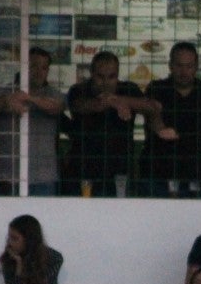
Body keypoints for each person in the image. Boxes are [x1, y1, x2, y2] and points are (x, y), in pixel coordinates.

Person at [140, 41, 201, 199]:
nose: (184, 71)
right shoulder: (157, 88)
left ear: (196, 66)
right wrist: (160, 129)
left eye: (189, 66)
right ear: (170, 66)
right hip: (159, 177)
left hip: (200, 177)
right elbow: (152, 112)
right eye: (179, 65)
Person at [64, 51, 159, 197]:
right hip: (83, 173)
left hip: (119, 173)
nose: (106, 82)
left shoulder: (128, 89)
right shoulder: (79, 90)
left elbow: (153, 107)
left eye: (111, 77)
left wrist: (118, 100)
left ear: (118, 74)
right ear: (91, 73)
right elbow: (83, 106)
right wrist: (113, 102)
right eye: (100, 77)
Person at [0, 47, 65, 196]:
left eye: (44, 68)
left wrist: (29, 98)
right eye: (33, 66)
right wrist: (8, 100)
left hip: (43, 178)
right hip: (9, 175)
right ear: (23, 67)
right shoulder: (3, 91)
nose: (39, 72)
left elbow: (56, 107)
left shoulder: (54, 94)